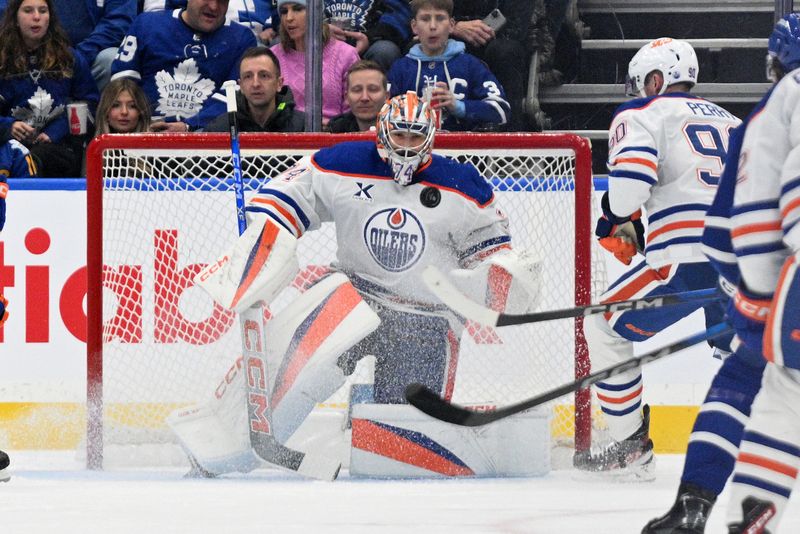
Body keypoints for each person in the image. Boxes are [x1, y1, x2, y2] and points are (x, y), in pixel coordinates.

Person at [168, 91, 541, 477]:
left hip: (426, 319)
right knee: (293, 372)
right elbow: (285, 196)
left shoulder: (465, 186)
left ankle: (362, 413)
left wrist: (498, 276)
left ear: (431, 136)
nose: (407, 147)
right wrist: (269, 235)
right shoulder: (341, 162)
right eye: (400, 136)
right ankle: (232, 444)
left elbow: (490, 252)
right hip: (355, 297)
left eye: (416, 138)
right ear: (381, 132)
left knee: (394, 449)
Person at [640, 17, 800, 534]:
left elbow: (725, 225)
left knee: (743, 380)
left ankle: (694, 509)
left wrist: (750, 295)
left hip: (785, 283)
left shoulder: (769, 114)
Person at [573, 38, 740, 481]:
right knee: (740, 352)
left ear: (655, 79)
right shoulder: (737, 122)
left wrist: (614, 216)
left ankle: (630, 446)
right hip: (749, 259)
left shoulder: (641, 115)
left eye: (639, 84)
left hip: (687, 257)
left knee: (602, 322)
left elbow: (630, 187)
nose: (637, 93)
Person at [711, 12, 800, 532]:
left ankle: (756, 505)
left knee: (785, 396)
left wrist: (761, 292)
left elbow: (760, 204)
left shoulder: (780, 103)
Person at [110, 0, 257, 133]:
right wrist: (141, 124)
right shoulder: (146, 24)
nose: (214, 6)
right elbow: (123, 82)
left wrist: (189, 125)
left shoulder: (241, 38)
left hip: (204, 137)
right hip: (143, 130)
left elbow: (233, 97)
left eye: (222, 1)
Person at [0, 0, 100, 177]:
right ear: (15, 18)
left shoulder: (70, 59)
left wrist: (55, 132)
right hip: (9, 146)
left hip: (59, 148)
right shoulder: (2, 61)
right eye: (28, 11)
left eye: (43, 11)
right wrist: (9, 127)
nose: (36, 17)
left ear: (50, 18)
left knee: (45, 156)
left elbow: (89, 105)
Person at [388, 0, 510, 132]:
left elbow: (502, 110)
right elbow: (381, 114)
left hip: (463, 149)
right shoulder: (400, 68)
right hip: (412, 149)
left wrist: (459, 107)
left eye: (440, 18)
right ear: (414, 27)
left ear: (451, 25)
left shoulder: (471, 65)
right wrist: (410, 111)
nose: (433, 26)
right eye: (425, 19)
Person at [270, 0, 359, 129]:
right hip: (287, 137)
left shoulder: (346, 55)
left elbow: (353, 110)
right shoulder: (272, 57)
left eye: (297, 9)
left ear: (316, 13)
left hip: (335, 136)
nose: (289, 18)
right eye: (284, 11)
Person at [204, 47, 304, 133]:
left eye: (264, 76)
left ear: (279, 83)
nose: (255, 84)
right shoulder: (220, 129)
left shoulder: (303, 127)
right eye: (248, 76)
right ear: (241, 85)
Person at [49, 0, 136, 90]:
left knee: (111, 59)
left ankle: (96, 102)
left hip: (92, 59)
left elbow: (119, 22)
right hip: (48, 56)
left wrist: (80, 56)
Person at [323, 0, 412, 72]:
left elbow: (399, 18)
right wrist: (322, 29)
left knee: (385, 51)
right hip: (323, 42)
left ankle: (372, 91)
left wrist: (369, 38)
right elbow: (308, 13)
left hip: (370, 46)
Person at [141, 0, 274, 44]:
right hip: (212, 37)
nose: (214, 5)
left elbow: (285, 8)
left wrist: (274, 26)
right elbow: (155, 17)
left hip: (265, 42)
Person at [327, 59, 387, 133]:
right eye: (357, 90)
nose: (364, 98)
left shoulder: (400, 128)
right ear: (346, 97)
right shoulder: (335, 129)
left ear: (386, 96)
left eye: (373, 89)